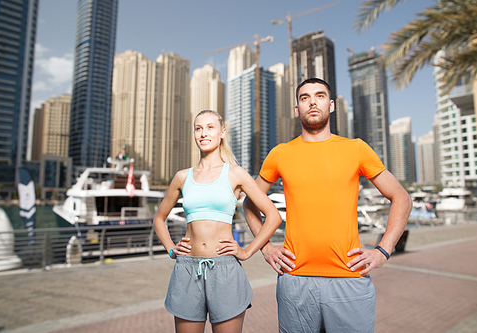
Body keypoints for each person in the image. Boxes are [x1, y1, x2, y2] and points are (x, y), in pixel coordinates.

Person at [243, 78, 412, 332]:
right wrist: (265, 248)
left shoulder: (356, 148)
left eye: (320, 96)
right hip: (295, 281)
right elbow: (249, 203)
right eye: (304, 97)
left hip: (349, 281)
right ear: (296, 109)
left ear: (331, 105)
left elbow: (402, 198)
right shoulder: (280, 153)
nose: (312, 101)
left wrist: (382, 251)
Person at [154, 110, 282, 333]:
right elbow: (159, 219)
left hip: (225, 270)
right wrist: (171, 250)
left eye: (210, 127)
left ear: (222, 133)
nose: (203, 133)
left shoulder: (236, 174)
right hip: (187, 269)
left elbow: (273, 216)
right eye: (198, 128)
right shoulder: (182, 177)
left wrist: (247, 251)